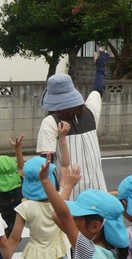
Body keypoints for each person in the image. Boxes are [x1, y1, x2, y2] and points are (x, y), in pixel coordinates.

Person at [36, 48, 110, 199]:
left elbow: (46, 164)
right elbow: (98, 88)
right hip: (98, 194)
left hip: (68, 198)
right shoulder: (90, 111)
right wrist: (101, 64)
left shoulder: (50, 122)